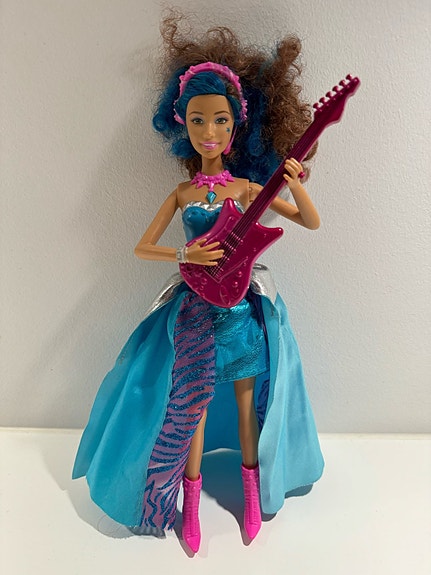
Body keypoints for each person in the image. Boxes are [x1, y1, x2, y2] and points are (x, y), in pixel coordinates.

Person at [72, 13, 324, 554]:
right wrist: (184, 253)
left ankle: (251, 495)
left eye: (220, 121)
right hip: (195, 314)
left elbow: (309, 221)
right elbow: (143, 247)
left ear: (236, 127)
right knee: (194, 407)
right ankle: (189, 500)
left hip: (240, 315)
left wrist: (296, 182)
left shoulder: (246, 188)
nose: (209, 133)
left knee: (246, 404)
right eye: (198, 121)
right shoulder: (183, 195)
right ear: (181, 125)